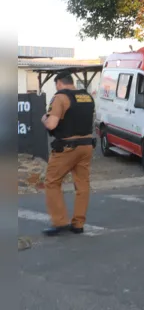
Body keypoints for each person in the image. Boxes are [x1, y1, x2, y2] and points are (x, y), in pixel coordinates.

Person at [40, 72, 96, 236]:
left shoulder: (60, 98)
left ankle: (60, 222)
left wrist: (44, 118)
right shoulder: (87, 97)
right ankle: (78, 224)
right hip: (86, 146)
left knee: (52, 182)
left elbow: (51, 124)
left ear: (58, 83)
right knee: (82, 185)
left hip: (66, 148)